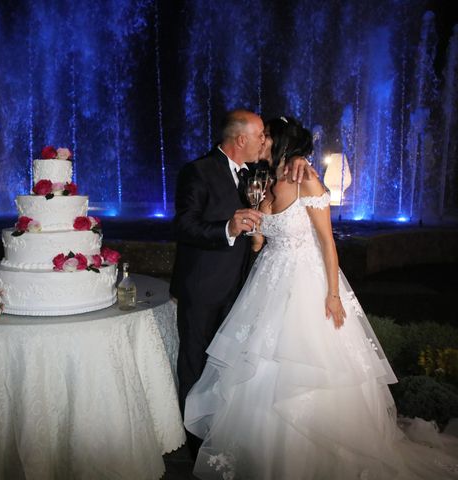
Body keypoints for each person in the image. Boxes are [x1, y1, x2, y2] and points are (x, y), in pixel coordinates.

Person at [184, 116, 458, 479]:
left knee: (304, 366)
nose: (261, 141)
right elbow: (261, 240)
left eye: (266, 136)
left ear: (280, 142)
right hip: (267, 282)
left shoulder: (306, 178)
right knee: (259, 366)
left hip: (305, 284)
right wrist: (252, 231)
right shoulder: (265, 181)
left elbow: (328, 242)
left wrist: (332, 295)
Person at [170, 109, 313, 457]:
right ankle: (196, 448)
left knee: (230, 366)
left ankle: (223, 435)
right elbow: (183, 226)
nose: (265, 139)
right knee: (196, 366)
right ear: (241, 139)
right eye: (260, 133)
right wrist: (227, 230)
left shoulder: (257, 172)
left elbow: (289, 157)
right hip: (202, 289)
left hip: (245, 291)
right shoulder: (197, 171)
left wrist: (297, 158)